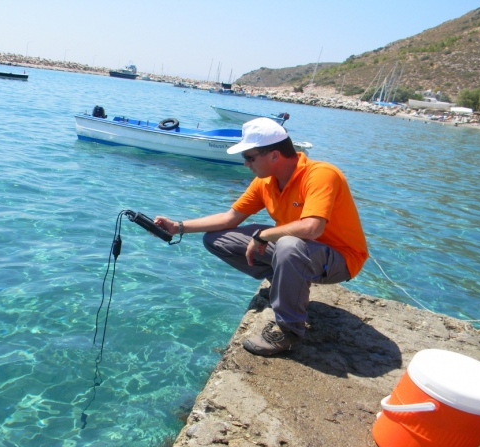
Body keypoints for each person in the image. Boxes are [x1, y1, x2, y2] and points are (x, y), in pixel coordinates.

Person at [154, 118, 368, 357]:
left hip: (340, 260)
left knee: (287, 244)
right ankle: (285, 286)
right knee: (216, 239)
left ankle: (289, 333)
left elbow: (312, 228)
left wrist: (263, 235)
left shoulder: (321, 174)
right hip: (301, 252)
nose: (246, 164)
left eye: (250, 157)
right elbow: (229, 219)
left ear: (274, 155)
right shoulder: (264, 182)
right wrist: (178, 226)